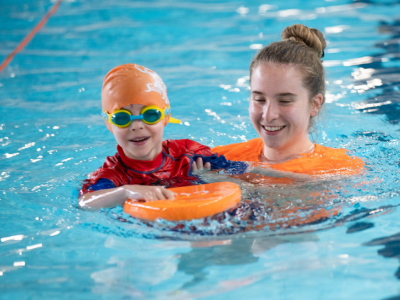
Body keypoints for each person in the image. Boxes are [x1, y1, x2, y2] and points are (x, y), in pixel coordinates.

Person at [79, 64, 245, 210]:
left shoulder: (187, 153)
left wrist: (212, 179)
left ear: (165, 117)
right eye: (122, 118)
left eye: (150, 115)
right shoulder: (114, 173)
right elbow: (85, 202)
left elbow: (246, 175)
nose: (137, 125)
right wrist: (125, 192)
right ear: (109, 124)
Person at [211, 24, 364, 177]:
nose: (268, 115)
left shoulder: (342, 169)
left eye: (285, 101)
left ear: (314, 104)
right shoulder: (221, 158)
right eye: (259, 99)